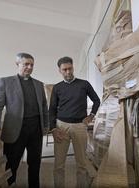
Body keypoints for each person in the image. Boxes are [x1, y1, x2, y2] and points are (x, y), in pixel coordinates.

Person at [0, 53, 48, 188]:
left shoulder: (38, 84)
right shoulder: (5, 82)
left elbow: (44, 107)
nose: (30, 67)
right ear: (17, 64)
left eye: (32, 65)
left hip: (36, 129)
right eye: (26, 64)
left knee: (35, 163)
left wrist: (46, 126)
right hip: (15, 129)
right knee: (12, 164)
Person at [49, 56, 101, 188]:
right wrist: (53, 129)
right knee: (59, 164)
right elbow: (52, 109)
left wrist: (91, 115)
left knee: (81, 163)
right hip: (61, 126)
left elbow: (96, 100)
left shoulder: (84, 84)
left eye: (70, 68)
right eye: (64, 69)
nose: (68, 72)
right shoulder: (57, 88)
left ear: (73, 67)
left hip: (79, 126)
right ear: (59, 71)